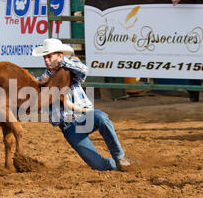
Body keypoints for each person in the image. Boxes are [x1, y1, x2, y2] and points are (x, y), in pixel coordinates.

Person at [33, 38, 131, 171]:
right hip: (68, 127)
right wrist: (42, 86)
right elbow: (37, 105)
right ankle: (120, 164)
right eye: (44, 57)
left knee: (101, 117)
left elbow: (84, 70)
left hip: (85, 116)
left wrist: (63, 62)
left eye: (50, 56)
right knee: (100, 166)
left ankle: (120, 157)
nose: (46, 60)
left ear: (60, 56)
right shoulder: (42, 82)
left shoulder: (70, 69)